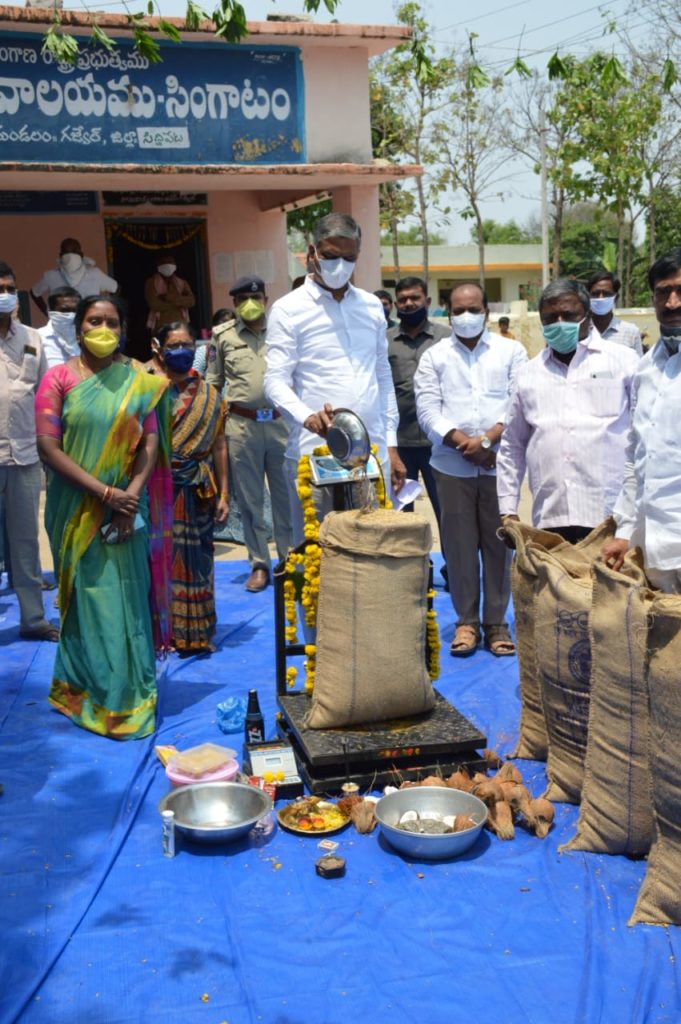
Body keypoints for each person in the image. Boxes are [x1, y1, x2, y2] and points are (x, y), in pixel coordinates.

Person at [35, 294, 171, 738]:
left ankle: (128, 698)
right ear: (78, 329)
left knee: (125, 601)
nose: (103, 329)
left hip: (127, 511)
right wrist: (104, 493)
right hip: (76, 510)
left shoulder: (139, 380)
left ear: (123, 329)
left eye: (112, 321)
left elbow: (149, 442)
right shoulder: (57, 379)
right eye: (94, 320)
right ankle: (84, 692)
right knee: (88, 602)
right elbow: (48, 447)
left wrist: (128, 497)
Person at [264, 212, 405, 541]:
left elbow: (381, 376)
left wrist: (392, 445)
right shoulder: (289, 309)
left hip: (372, 455)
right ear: (311, 253)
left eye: (349, 258)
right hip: (315, 452)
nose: (339, 265)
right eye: (330, 256)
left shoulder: (371, 306)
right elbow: (274, 381)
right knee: (319, 556)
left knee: (372, 552)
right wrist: (307, 417)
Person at [415, 281, 528, 657]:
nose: (466, 317)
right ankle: (466, 622)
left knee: (500, 546)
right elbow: (428, 409)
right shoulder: (434, 357)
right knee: (459, 547)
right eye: (459, 310)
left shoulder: (512, 351)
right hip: (451, 466)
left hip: (499, 464)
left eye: (473, 309)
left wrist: (488, 440)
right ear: (448, 313)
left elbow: (519, 400)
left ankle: (496, 623)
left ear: (487, 312)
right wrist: (461, 440)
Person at [497, 278, 639, 543]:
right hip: (551, 516)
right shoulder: (528, 374)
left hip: (611, 516)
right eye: (550, 318)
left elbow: (641, 437)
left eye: (568, 315)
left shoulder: (624, 361)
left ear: (586, 315)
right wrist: (508, 510)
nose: (559, 322)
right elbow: (512, 445)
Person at [602, 248, 681, 590]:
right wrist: (625, 532)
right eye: (664, 292)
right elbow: (637, 458)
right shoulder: (646, 369)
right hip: (656, 548)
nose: (673, 302)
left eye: (680, 291)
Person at [207, 276, 290, 592]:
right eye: (241, 299)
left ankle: (287, 561)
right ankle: (259, 564)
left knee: (286, 499)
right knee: (251, 502)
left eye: (254, 297)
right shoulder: (222, 336)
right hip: (242, 427)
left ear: (266, 300)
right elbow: (214, 384)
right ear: (234, 304)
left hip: (282, 425)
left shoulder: (284, 330)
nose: (248, 303)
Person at [155, 322, 229, 650]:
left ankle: (198, 632)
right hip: (159, 489)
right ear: (159, 348)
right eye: (173, 345)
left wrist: (225, 493)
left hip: (199, 489)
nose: (181, 351)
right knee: (161, 560)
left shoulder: (210, 395)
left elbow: (220, 445)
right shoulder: (148, 391)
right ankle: (167, 633)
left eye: (187, 344)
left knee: (199, 559)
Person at [0, 260, 57, 642]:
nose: (4, 296)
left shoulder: (33, 339)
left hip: (23, 456)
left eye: (8, 288)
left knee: (25, 541)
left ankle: (33, 620)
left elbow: (47, 396)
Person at [387, 276, 450, 579]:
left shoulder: (446, 338)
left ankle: (454, 568)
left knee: (447, 512)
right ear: (396, 304)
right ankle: (411, 573)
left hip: (439, 443)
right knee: (402, 517)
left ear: (427, 300)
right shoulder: (386, 341)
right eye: (403, 300)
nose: (409, 304)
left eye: (414, 298)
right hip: (399, 446)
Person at [31, 238, 117, 317]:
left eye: (74, 252)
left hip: (89, 325)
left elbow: (116, 288)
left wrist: (106, 309)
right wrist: (47, 314)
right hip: (61, 329)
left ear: (81, 255)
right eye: (66, 253)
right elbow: (34, 292)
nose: (70, 256)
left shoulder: (95, 274)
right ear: (61, 256)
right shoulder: (51, 276)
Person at [587, 271, 643, 356]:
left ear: (616, 297)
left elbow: (638, 367)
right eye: (595, 294)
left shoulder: (631, 332)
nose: (600, 298)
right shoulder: (580, 331)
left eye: (606, 294)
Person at [145, 253, 195, 333]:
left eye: (170, 262)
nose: (167, 265)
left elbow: (191, 301)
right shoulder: (151, 282)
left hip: (180, 323)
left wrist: (169, 298)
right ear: (158, 266)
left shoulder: (182, 283)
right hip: (161, 324)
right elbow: (154, 304)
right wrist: (179, 303)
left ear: (175, 266)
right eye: (164, 262)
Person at [38, 287, 81, 368]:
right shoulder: (37, 338)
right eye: (65, 310)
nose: (71, 315)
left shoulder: (87, 339)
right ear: (50, 311)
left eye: (75, 310)